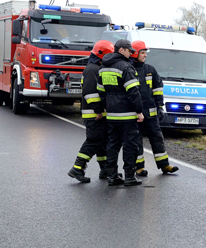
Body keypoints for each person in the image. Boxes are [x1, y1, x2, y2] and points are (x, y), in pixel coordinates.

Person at [67, 40, 114, 183]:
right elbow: (90, 93)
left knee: (102, 142)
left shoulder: (96, 67)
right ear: (103, 55)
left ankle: (104, 169)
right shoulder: (92, 69)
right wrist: (99, 110)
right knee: (94, 141)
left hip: (98, 113)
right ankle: (77, 168)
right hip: (94, 114)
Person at [99, 39, 145, 186]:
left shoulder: (103, 68)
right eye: (129, 50)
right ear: (121, 50)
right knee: (130, 146)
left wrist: (106, 106)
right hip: (127, 114)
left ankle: (112, 176)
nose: (131, 53)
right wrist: (139, 111)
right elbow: (133, 92)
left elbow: (101, 91)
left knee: (112, 145)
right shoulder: (126, 67)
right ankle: (129, 177)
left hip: (112, 114)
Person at [129, 40, 179, 176]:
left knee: (157, 138)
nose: (145, 55)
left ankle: (164, 165)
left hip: (151, 112)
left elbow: (158, 89)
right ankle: (138, 167)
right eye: (143, 52)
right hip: (135, 113)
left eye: (145, 53)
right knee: (136, 140)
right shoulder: (128, 69)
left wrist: (160, 106)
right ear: (135, 54)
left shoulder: (150, 70)